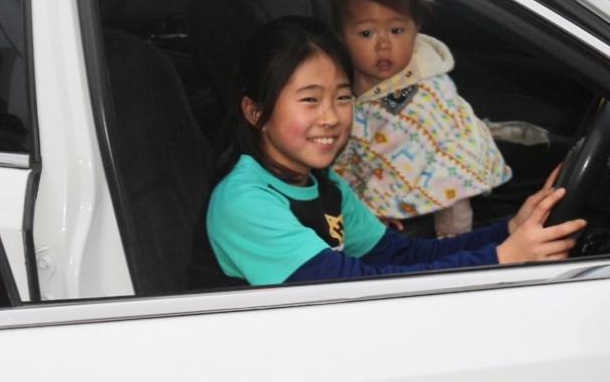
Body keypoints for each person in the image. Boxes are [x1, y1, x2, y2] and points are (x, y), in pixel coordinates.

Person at [206, 17, 583, 287]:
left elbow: (398, 256)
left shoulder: (322, 183)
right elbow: (355, 289)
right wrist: (502, 259)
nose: (331, 118)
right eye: (310, 100)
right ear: (256, 112)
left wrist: (508, 231)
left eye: (342, 98)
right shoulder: (246, 203)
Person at [331, 0, 511, 237]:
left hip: (443, 191)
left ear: (417, 28)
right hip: (372, 208)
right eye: (367, 33)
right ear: (341, 36)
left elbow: (451, 152)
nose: (383, 45)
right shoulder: (341, 80)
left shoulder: (428, 91)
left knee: (453, 196)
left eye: (396, 30)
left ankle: (452, 245)